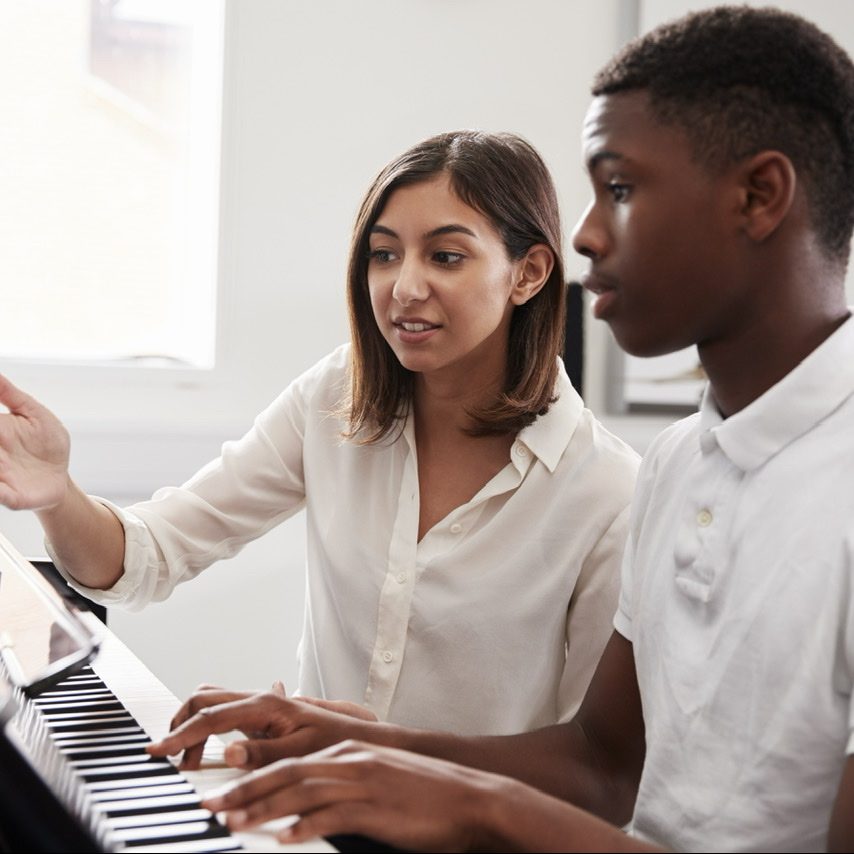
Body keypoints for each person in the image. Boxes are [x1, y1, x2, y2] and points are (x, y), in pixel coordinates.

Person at [148, 6, 854, 852]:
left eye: (619, 190)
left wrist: (480, 807)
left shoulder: (686, 483)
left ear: (759, 196)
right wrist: (350, 740)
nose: (588, 235)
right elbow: (601, 760)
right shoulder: (679, 465)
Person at [0, 131, 638, 741]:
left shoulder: (610, 493)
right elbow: (148, 557)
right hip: (315, 820)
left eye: (446, 256)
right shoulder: (336, 396)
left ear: (528, 273)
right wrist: (58, 496)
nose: (403, 287)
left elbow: (591, 766)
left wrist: (382, 761)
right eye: (383, 254)